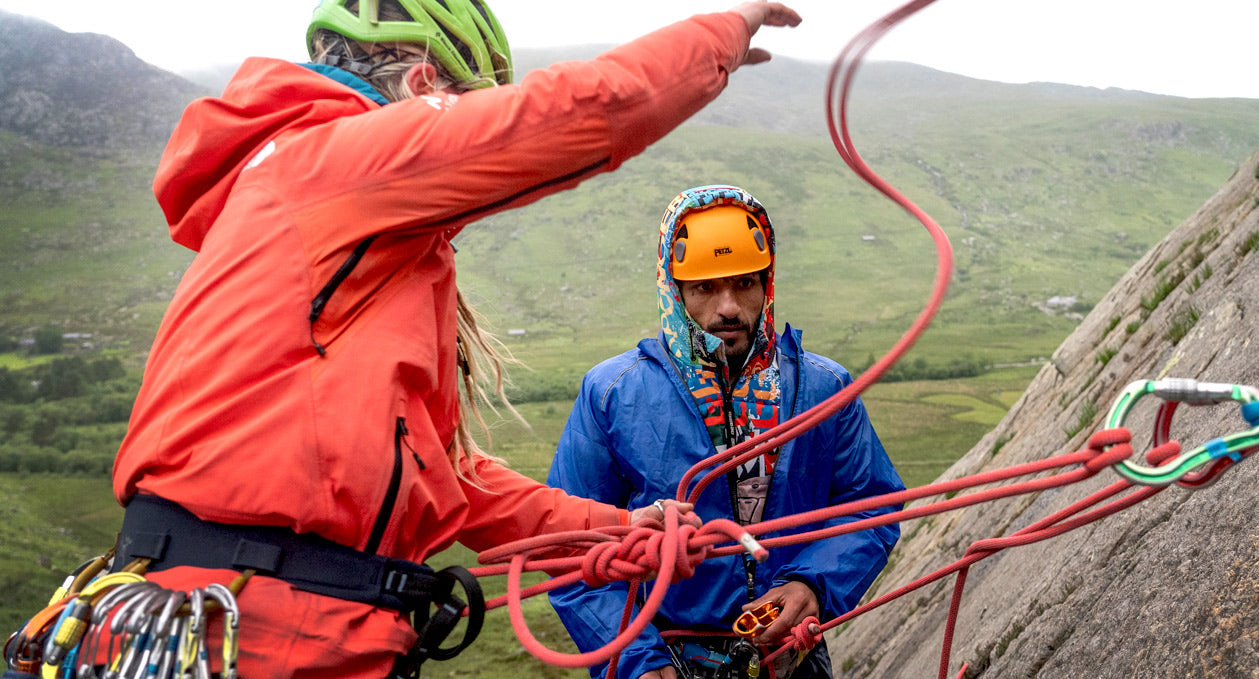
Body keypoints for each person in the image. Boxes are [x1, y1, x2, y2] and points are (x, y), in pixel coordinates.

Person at [103, 2, 801, 679]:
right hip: (253, 620)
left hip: (253, 613)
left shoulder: (316, 213)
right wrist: (720, 36)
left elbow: (445, 475)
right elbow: (577, 113)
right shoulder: (333, 164)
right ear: (423, 87)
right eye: (468, 114)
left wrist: (617, 529)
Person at [547, 185, 905, 679]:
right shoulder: (612, 395)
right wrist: (634, 659)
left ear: (767, 283)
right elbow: (570, 550)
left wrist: (813, 585)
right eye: (705, 288)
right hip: (663, 659)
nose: (729, 307)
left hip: (789, 659)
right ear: (674, 291)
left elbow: (872, 505)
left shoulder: (825, 389)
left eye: (744, 284)